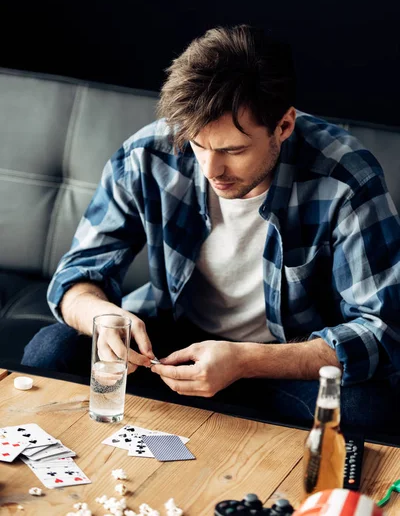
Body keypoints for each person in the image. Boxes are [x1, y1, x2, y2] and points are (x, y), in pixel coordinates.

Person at [22, 24, 400, 433]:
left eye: (233, 150)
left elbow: (382, 330)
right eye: (199, 145)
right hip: (170, 348)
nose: (211, 170)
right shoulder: (148, 155)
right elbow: (76, 278)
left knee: (369, 409)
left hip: (281, 363)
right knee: (52, 348)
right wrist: (104, 318)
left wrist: (244, 361)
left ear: (284, 126)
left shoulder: (346, 175)